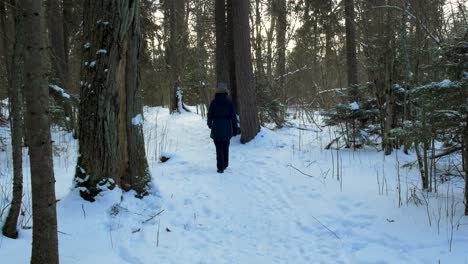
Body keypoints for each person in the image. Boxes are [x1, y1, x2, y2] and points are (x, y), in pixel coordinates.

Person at [207, 82, 239, 173]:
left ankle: (220, 167)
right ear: (225, 91)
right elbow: (233, 117)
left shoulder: (214, 102)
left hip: (216, 127)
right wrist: (235, 129)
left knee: (218, 148)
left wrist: (209, 124)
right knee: (225, 146)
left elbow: (209, 115)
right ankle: (225, 164)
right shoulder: (229, 102)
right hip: (227, 128)